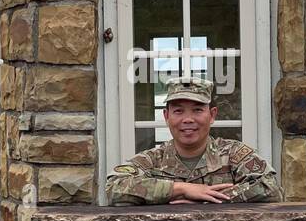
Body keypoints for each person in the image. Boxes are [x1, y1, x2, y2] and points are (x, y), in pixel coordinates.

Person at [105, 78, 282, 205]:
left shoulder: (233, 154)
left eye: (197, 110)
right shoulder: (153, 160)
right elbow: (114, 188)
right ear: (166, 116)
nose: (188, 119)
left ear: (212, 115)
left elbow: (270, 187)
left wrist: (207, 199)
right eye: (178, 111)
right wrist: (180, 189)